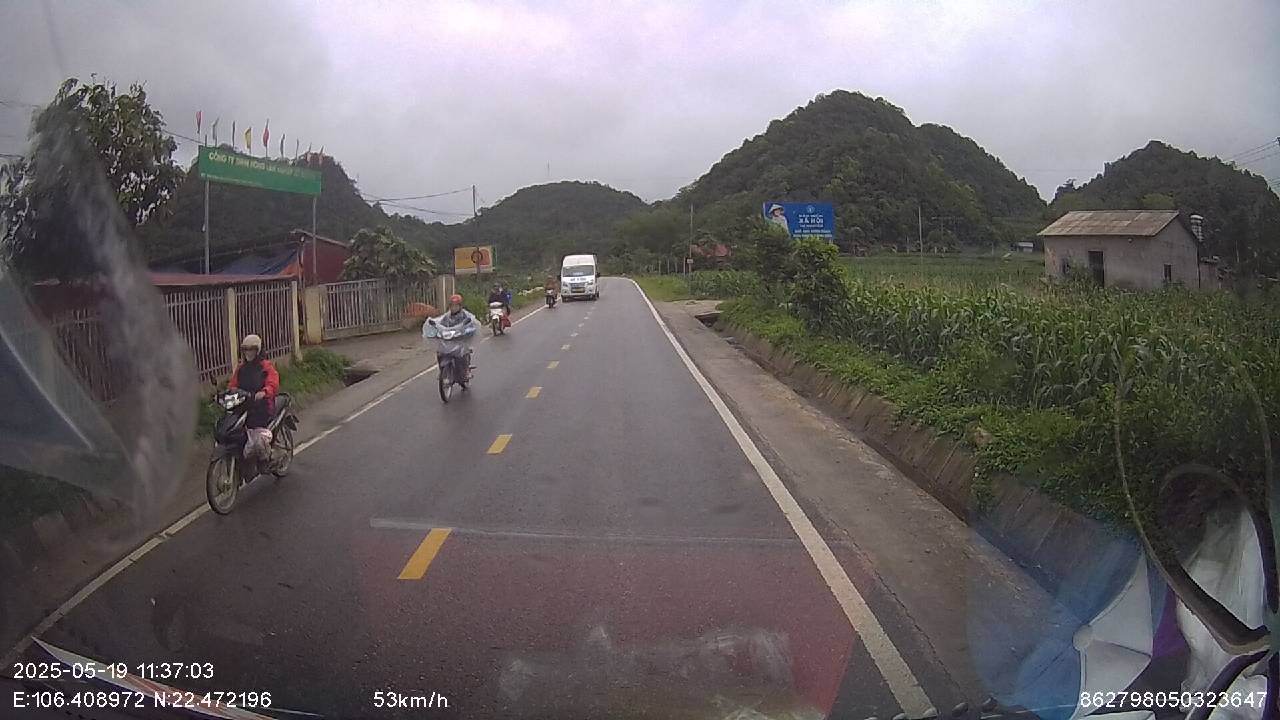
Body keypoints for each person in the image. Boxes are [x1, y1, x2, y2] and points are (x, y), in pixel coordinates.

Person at [226, 334, 279, 458]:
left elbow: (273, 382)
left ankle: (267, 456)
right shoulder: (241, 368)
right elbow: (232, 385)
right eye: (246, 350)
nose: (248, 353)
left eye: (252, 350)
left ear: (258, 351)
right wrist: (226, 394)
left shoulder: (266, 366)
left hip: (262, 406)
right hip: (244, 405)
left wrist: (264, 392)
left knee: (258, 440)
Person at [431, 294, 479, 379]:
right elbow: (440, 323)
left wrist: (467, 330)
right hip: (449, 339)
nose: (454, 308)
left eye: (456, 306)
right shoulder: (447, 316)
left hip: (460, 340)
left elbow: (471, 324)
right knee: (440, 352)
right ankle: (442, 371)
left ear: (460, 306)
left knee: (464, 352)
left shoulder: (465, 315)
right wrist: (435, 326)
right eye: (452, 306)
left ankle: (466, 370)